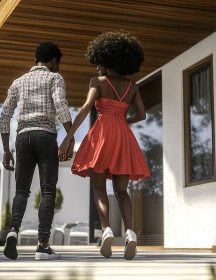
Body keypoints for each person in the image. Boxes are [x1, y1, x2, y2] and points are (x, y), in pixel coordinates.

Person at [59, 31, 150, 260]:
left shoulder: (97, 82)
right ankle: (130, 234)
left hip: (101, 135)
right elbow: (142, 115)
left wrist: (69, 136)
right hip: (123, 135)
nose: (97, 67)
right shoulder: (133, 86)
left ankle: (106, 230)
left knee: (99, 188)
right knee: (122, 190)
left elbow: (86, 107)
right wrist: (123, 121)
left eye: (99, 62)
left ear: (107, 60)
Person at [0, 42, 75, 260]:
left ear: (35, 60)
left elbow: (5, 116)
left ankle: (13, 230)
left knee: (21, 191)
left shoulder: (18, 82)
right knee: (48, 191)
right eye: (58, 64)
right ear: (53, 61)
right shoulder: (54, 78)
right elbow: (60, 105)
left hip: (22, 139)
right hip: (45, 137)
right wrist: (70, 136)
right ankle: (42, 246)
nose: (58, 68)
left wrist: (6, 150)